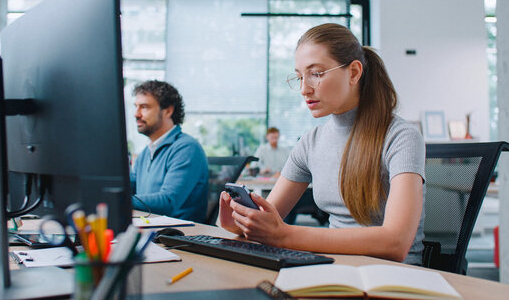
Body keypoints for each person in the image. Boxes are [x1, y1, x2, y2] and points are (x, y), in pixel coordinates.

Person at [218, 23, 426, 264]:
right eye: (299, 77)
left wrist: (285, 235)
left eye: (316, 74)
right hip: (332, 268)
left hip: (393, 277)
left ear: (354, 73)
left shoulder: (401, 137)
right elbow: (269, 219)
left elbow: (395, 243)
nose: (304, 89)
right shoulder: (310, 142)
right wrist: (242, 223)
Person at [130, 80, 209, 223]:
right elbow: (126, 188)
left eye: (144, 107)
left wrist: (117, 201)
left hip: (179, 237)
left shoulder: (187, 148)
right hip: (150, 230)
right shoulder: (144, 154)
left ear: (167, 111)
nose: (136, 114)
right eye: (136, 107)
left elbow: (168, 202)